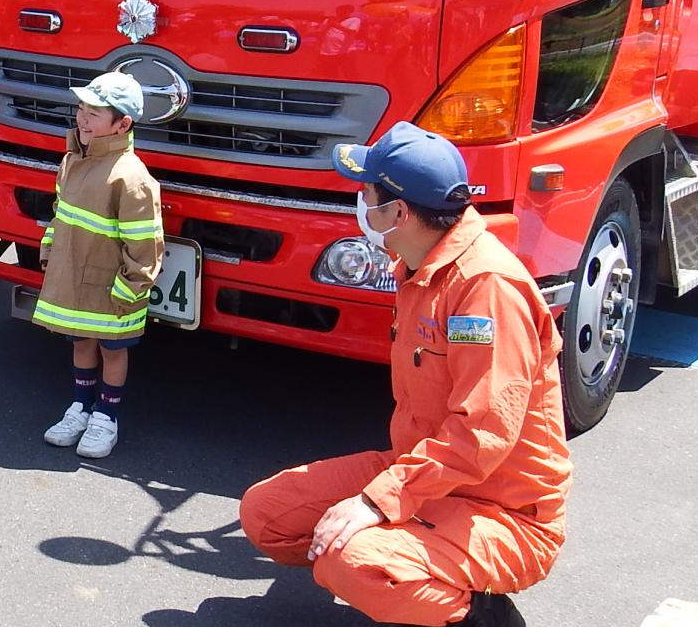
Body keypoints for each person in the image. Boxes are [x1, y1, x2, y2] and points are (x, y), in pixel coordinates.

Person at [238, 122, 570, 627]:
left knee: (351, 562)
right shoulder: (416, 263)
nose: (360, 200)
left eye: (367, 192)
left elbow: (482, 435)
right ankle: (409, 568)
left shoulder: (487, 287)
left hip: (505, 510)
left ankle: (481, 614)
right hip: (423, 473)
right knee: (268, 514)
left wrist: (377, 502)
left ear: (399, 212)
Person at [33, 72, 161, 460]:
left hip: (113, 287)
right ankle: (80, 407)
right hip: (76, 278)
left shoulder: (131, 176)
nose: (83, 119)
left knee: (113, 348)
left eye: (94, 113)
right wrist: (49, 249)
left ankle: (106, 415)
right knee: (81, 340)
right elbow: (60, 215)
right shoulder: (72, 160)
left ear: (123, 124)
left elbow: (145, 243)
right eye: (81, 109)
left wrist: (130, 289)